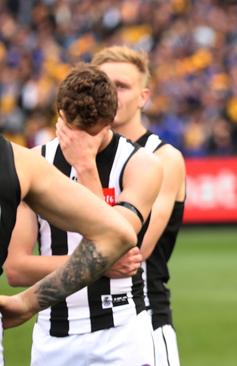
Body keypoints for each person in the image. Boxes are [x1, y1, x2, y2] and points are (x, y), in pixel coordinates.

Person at [4, 64, 162, 366]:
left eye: (90, 134)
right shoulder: (33, 164)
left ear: (110, 121)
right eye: (71, 130)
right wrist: (100, 264)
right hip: (54, 334)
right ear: (59, 115)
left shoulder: (142, 165)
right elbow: (17, 269)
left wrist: (86, 167)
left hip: (122, 331)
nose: (77, 141)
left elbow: (112, 238)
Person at [0, 135, 138, 365]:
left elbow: (116, 235)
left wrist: (28, 302)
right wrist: (27, 303)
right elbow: (115, 234)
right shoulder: (19, 162)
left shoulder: (22, 162)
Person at [91, 45, 186, 366]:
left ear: (144, 97)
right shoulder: (66, 156)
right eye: (103, 84)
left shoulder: (164, 157)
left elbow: (136, 248)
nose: (111, 95)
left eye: (122, 86)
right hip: (71, 326)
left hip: (142, 320)